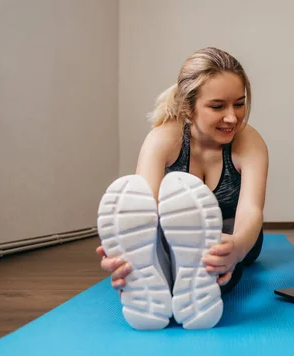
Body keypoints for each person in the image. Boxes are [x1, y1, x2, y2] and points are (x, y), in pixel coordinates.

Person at [95, 47, 269, 331]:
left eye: (239, 103)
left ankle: (191, 280)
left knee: (216, 251)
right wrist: (122, 256)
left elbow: (250, 210)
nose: (232, 117)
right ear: (189, 106)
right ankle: (159, 274)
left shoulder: (249, 141)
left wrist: (235, 250)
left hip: (235, 233)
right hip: (171, 235)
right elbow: (144, 213)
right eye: (217, 106)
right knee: (156, 237)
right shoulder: (163, 139)